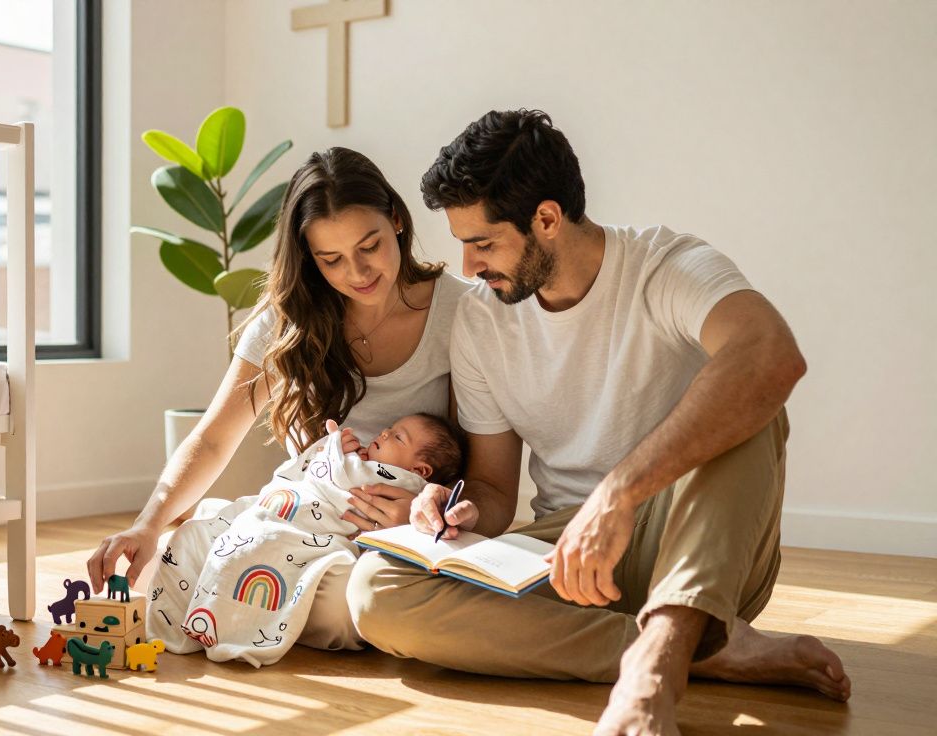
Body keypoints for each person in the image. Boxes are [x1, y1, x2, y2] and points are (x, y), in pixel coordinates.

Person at [346, 110, 850, 736]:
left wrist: (619, 494)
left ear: (547, 220)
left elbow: (773, 354)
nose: (469, 267)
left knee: (752, 399)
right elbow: (498, 491)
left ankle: (657, 670)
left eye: (483, 242)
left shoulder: (665, 267)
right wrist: (450, 507)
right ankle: (704, 651)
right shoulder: (481, 320)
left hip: (694, 541)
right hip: (568, 557)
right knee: (377, 591)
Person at [87, 146, 473, 651]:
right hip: (298, 523)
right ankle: (251, 594)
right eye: (330, 260)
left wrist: (427, 511)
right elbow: (213, 439)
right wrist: (147, 525)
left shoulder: (461, 309)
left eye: (369, 246)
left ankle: (250, 601)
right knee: (183, 549)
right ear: (308, 258)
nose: (357, 272)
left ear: (397, 220)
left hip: (397, 531)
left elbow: (481, 469)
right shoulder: (289, 318)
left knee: (346, 604)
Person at [147, 414, 464, 667]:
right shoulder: (367, 462)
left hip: (315, 536)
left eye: (396, 437)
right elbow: (313, 475)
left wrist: (334, 451)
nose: (383, 434)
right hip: (289, 508)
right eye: (389, 429)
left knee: (261, 545)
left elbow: (340, 478)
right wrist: (330, 449)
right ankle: (223, 610)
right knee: (194, 534)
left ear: (419, 469)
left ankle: (223, 616)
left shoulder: (401, 481)